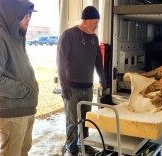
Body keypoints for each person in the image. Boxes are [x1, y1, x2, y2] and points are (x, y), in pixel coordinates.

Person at [0, 0, 39, 156]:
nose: (28, 19)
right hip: (12, 111)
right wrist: (23, 91)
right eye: (24, 15)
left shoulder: (15, 36)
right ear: (12, 15)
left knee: (23, 151)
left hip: (24, 107)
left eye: (29, 14)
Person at [57, 6, 106, 156]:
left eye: (98, 23)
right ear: (85, 20)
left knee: (86, 120)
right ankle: (72, 150)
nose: (97, 26)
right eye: (95, 23)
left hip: (88, 88)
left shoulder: (94, 38)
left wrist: (102, 79)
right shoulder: (68, 35)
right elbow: (60, 62)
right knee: (72, 122)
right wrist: (64, 87)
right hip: (71, 88)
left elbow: (98, 61)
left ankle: (84, 145)